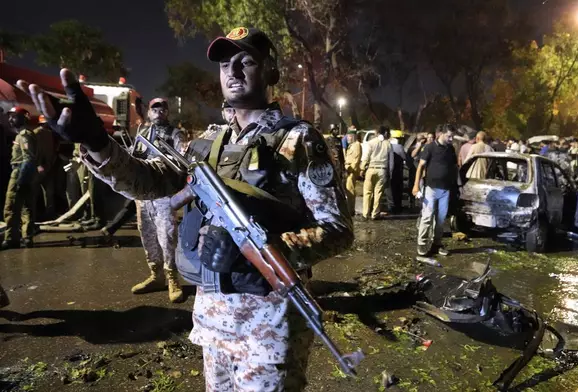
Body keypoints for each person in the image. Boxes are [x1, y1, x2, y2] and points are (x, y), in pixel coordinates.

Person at [19, 26, 352, 391]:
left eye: (245, 62)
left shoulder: (299, 139)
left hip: (268, 326)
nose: (233, 72)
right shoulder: (208, 141)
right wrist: (96, 141)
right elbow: (148, 181)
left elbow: (336, 230)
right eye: (225, 65)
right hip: (212, 321)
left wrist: (263, 249)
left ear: (270, 71)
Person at [130, 97, 188, 303]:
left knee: (167, 237)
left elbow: (182, 160)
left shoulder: (175, 134)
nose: (159, 111)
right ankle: (156, 276)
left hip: (163, 193)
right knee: (147, 235)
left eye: (163, 108)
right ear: (149, 112)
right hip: (143, 195)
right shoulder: (142, 134)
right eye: (155, 108)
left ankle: (172, 278)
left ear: (168, 112)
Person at [412, 127, 457, 257]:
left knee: (441, 219)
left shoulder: (451, 149)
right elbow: (420, 166)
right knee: (427, 217)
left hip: (445, 190)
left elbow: (454, 167)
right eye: (449, 136)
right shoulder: (430, 148)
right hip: (430, 189)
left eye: (452, 136)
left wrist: (455, 186)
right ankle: (422, 243)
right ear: (441, 134)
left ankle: (436, 245)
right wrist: (416, 186)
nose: (451, 139)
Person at [3, 107, 37, 249]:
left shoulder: (24, 135)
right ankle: (26, 237)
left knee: (11, 206)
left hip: (19, 172)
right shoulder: (24, 134)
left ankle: (11, 238)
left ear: (23, 118)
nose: (10, 119)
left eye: (14, 116)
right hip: (26, 173)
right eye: (10, 116)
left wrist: (21, 180)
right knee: (26, 206)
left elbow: (28, 158)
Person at [361, 125, 393, 220]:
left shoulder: (370, 143)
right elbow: (391, 161)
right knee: (378, 193)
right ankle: (375, 214)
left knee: (367, 192)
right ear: (385, 133)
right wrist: (389, 173)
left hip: (371, 168)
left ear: (377, 132)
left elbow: (366, 157)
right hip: (382, 170)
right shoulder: (388, 144)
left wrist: (362, 168)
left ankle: (365, 213)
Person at [33, 115, 58, 220]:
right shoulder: (43, 134)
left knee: (38, 192)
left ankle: (40, 214)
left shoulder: (39, 133)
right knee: (47, 192)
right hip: (44, 166)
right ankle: (46, 213)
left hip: (42, 167)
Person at [387, 132, 410, 214]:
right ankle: (398, 207)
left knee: (390, 190)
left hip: (388, 171)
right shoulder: (399, 147)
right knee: (398, 190)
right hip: (398, 171)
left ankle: (391, 207)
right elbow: (405, 157)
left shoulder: (386, 145)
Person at [344, 129, 361, 216]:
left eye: (349, 136)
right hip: (348, 170)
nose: (348, 138)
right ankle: (349, 209)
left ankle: (351, 211)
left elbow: (356, 160)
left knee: (350, 191)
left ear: (353, 136)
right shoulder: (352, 145)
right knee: (348, 191)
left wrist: (350, 170)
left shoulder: (356, 145)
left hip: (351, 172)